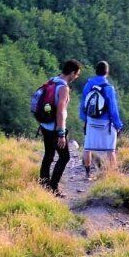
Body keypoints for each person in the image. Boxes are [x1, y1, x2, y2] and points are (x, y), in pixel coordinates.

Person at [36, 59, 82, 194]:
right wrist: (61, 134)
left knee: (49, 155)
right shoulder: (63, 88)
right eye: (77, 74)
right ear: (72, 73)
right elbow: (60, 111)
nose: (76, 77)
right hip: (55, 128)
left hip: (45, 125)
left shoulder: (52, 80)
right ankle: (53, 188)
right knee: (64, 157)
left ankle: (44, 186)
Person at [80, 61, 123, 178]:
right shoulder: (108, 88)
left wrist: (85, 119)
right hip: (106, 123)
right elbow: (113, 109)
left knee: (87, 147)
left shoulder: (88, 85)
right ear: (107, 72)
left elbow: (83, 103)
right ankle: (113, 174)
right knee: (110, 149)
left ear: (96, 71)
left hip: (91, 121)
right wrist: (118, 125)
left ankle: (88, 173)